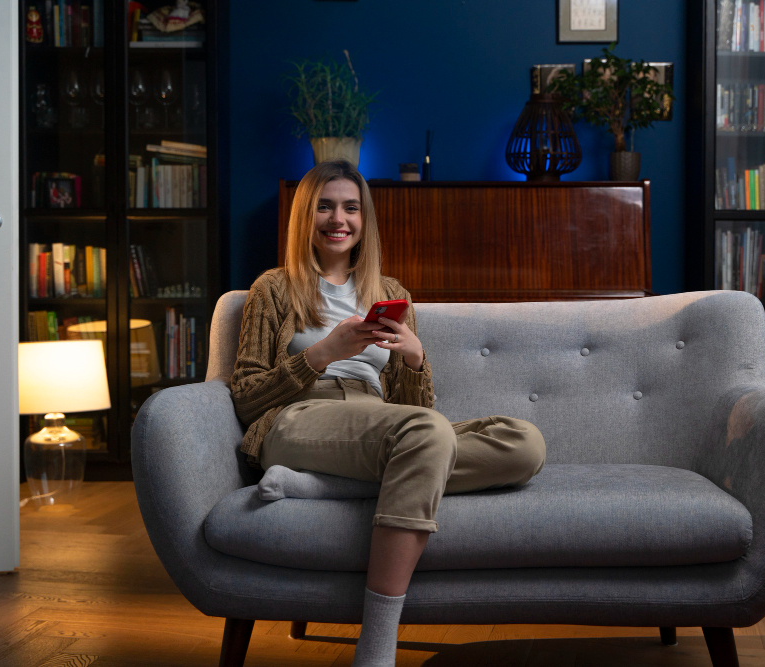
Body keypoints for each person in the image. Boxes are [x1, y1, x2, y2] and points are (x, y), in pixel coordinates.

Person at [230, 159, 546, 667]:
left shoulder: (392, 294)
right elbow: (245, 396)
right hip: (300, 418)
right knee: (424, 437)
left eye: (351, 208)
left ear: (364, 219)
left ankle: (317, 483)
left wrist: (416, 358)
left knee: (523, 442)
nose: (339, 219)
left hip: (379, 423)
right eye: (325, 206)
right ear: (304, 218)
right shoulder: (273, 288)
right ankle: (377, 643)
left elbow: (414, 413)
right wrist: (321, 353)